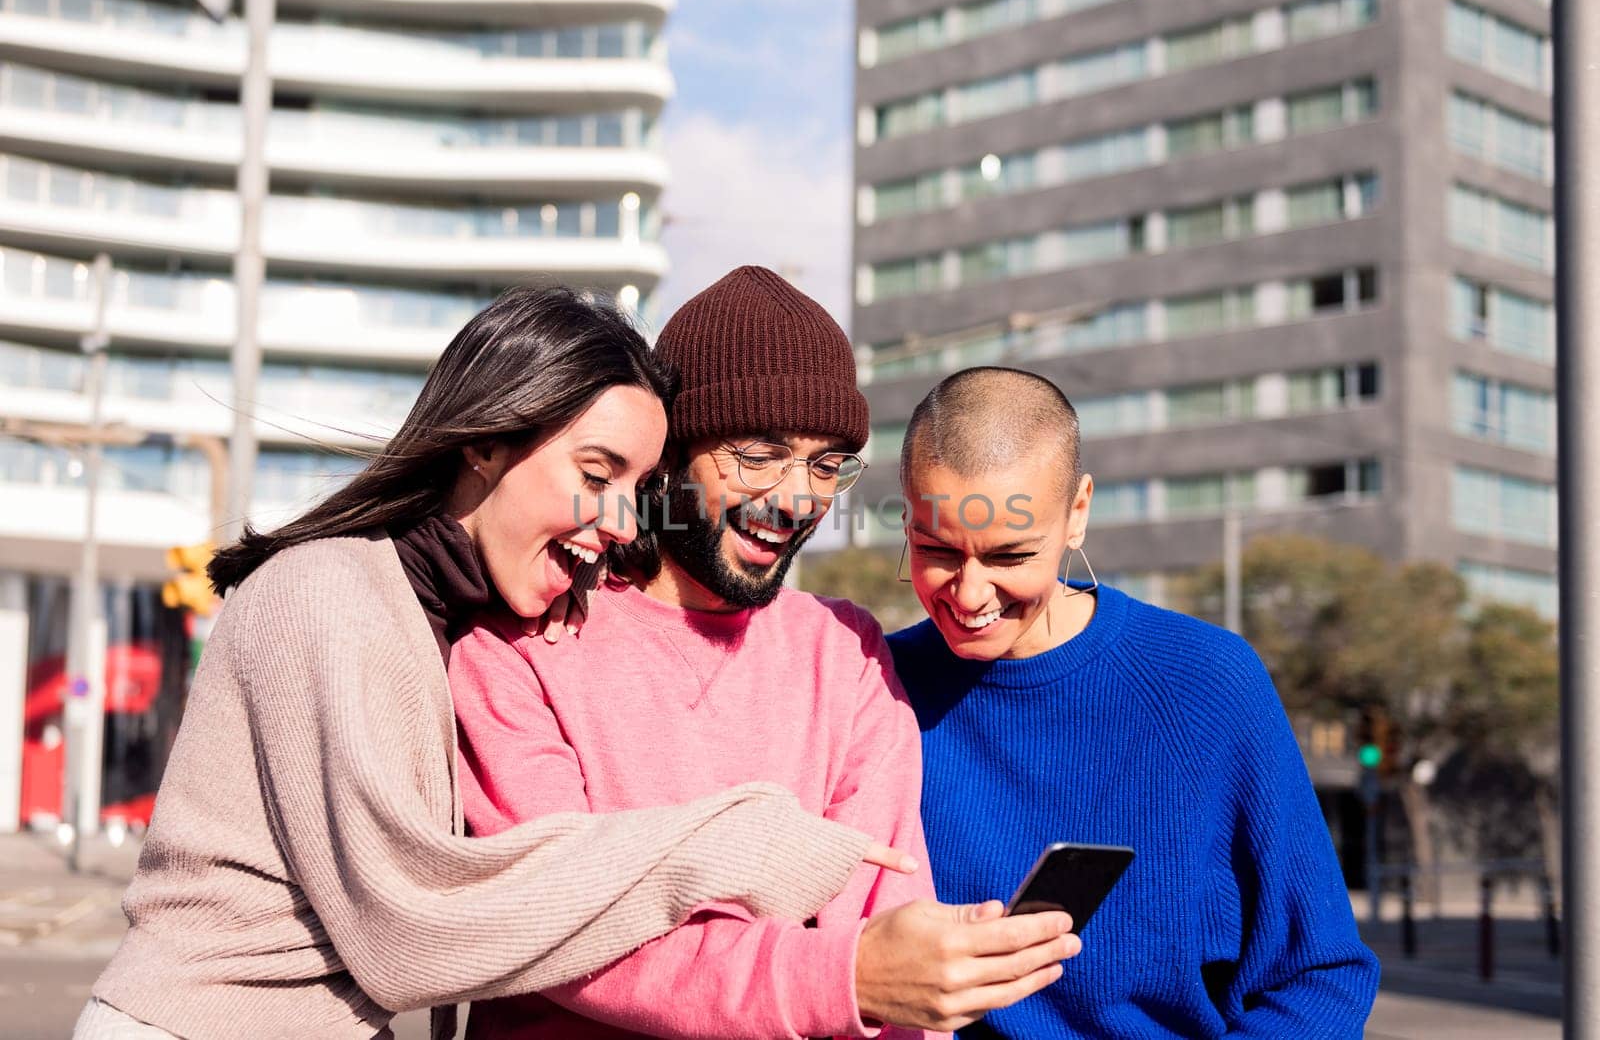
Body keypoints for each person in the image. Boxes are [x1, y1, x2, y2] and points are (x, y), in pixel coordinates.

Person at [75, 286, 917, 1040]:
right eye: (597, 473)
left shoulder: (442, 611)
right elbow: (408, 933)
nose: (623, 520)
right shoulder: (328, 595)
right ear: (483, 444)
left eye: (637, 486)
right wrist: (726, 842)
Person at [449, 268, 1081, 1040]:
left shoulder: (844, 653)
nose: (795, 498)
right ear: (670, 453)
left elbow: (885, 921)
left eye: (825, 465)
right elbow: (561, 929)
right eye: (758, 453)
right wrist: (844, 976)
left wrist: (899, 976)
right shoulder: (522, 641)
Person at [886, 367, 1381, 1038]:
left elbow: (1317, 974)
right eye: (936, 549)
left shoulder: (1207, 683)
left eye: (1009, 556)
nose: (970, 594)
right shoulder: (871, 689)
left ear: (1078, 512)